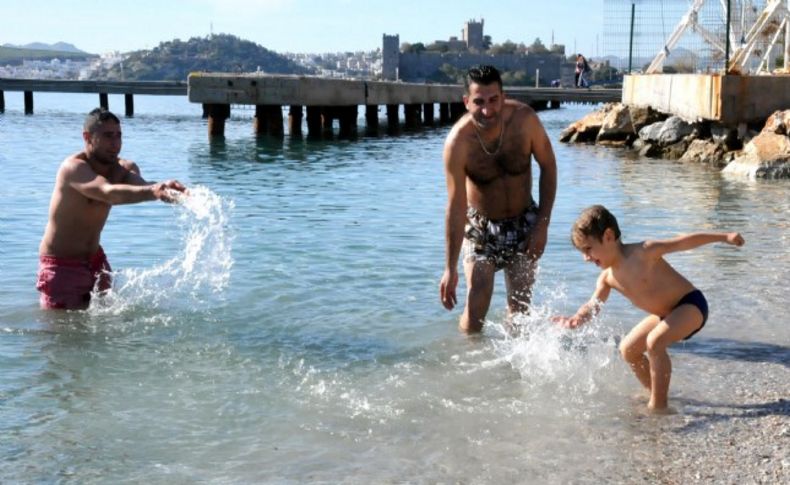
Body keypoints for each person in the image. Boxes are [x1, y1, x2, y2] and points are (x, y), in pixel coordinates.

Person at [553, 205, 745, 412]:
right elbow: (593, 304)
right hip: (665, 315)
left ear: (608, 236)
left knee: (654, 342)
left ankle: (658, 406)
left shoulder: (644, 252)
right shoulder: (607, 278)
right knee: (628, 350)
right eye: (582, 252)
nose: (585, 257)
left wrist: (725, 236)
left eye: (588, 249)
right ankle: (655, 391)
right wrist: (577, 318)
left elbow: (684, 241)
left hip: (691, 304)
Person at [439, 65, 557, 333]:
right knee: (477, 301)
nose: (487, 110)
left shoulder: (525, 121)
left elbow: (549, 166)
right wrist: (449, 268)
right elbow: (456, 206)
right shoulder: (458, 143)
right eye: (479, 102)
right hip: (480, 227)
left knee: (520, 309)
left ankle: (510, 372)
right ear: (466, 102)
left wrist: (542, 225)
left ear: (503, 97)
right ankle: (469, 365)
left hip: (524, 220)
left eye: (493, 100)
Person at [36, 108, 187, 310]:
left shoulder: (122, 168)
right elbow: (107, 192)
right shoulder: (73, 169)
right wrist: (153, 191)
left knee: (104, 333)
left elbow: (139, 185)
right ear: (87, 137)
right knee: (62, 336)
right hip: (62, 267)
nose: (115, 143)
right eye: (108, 136)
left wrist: (166, 189)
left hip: (97, 262)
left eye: (118, 135)